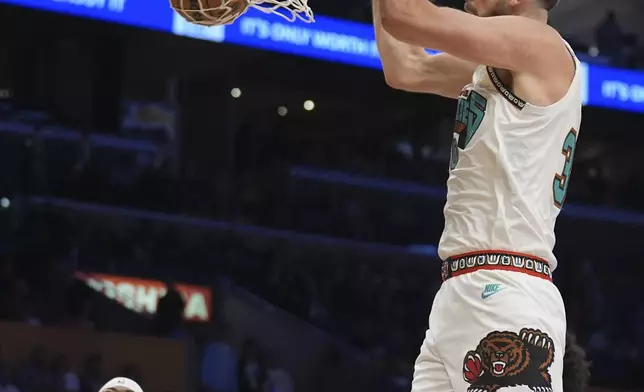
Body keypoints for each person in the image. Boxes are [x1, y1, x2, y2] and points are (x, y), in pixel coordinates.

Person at [372, 0, 590, 391]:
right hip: (459, 294)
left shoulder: (539, 45)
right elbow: (406, 67)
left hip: (505, 287)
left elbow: (406, 16)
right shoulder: (498, 64)